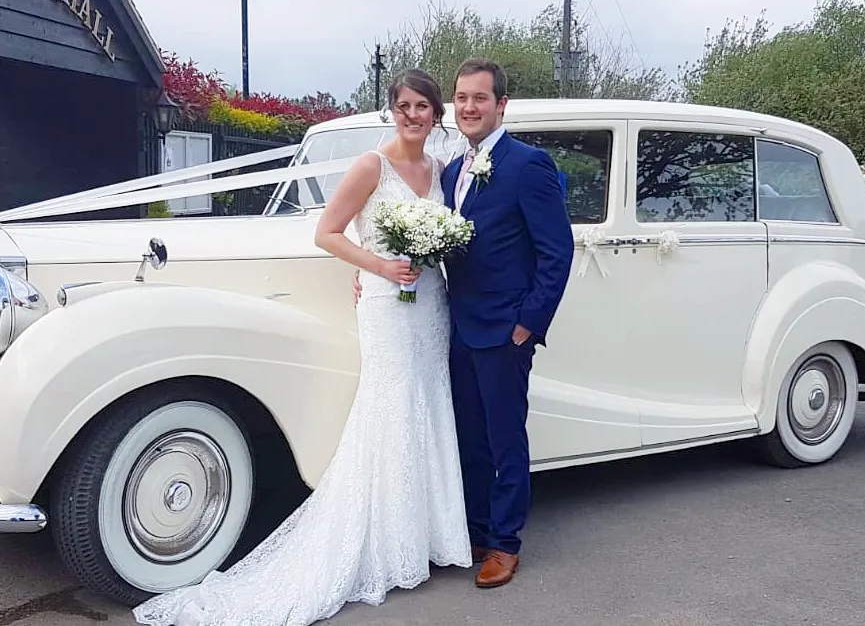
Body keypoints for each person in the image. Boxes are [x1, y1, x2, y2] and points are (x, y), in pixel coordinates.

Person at [132, 68, 473, 626]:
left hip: (431, 304)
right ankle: (386, 544)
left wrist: (430, 256)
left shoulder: (439, 169)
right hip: (389, 304)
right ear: (392, 110)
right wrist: (378, 265)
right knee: (389, 410)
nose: (414, 115)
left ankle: (431, 536)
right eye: (405, 105)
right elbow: (328, 232)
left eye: (424, 107)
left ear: (437, 115)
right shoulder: (372, 165)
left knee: (430, 404)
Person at [355, 58, 575, 588]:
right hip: (452, 324)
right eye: (462, 98)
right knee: (468, 440)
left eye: (480, 98)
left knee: (505, 440)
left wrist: (528, 324)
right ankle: (475, 530)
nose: (470, 107)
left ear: (502, 105)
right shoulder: (451, 169)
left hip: (504, 330)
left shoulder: (528, 164)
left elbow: (557, 251)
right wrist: (374, 268)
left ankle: (505, 543)